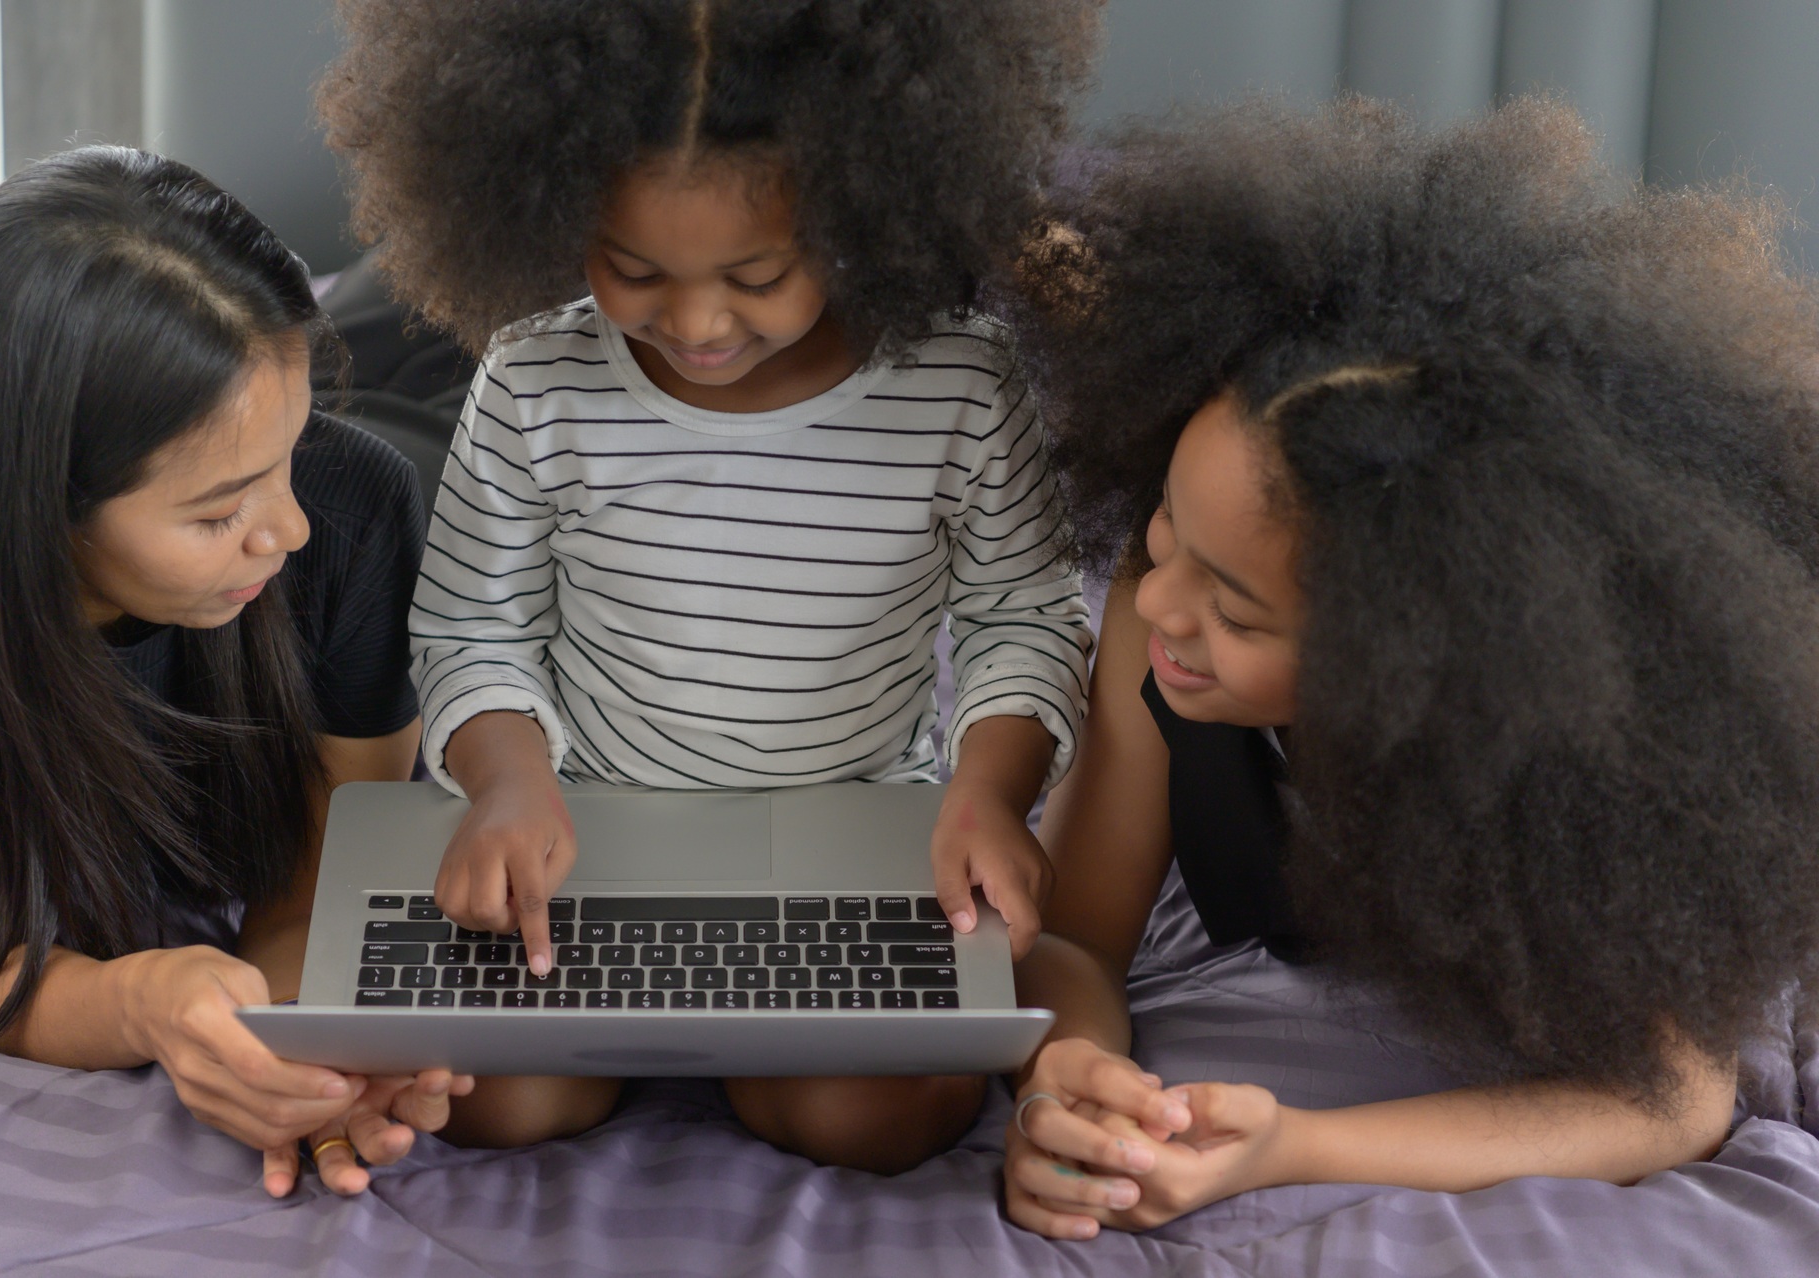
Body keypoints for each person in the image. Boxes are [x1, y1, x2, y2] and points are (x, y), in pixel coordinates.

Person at [1000, 98, 1819, 1237]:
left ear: (1396, 653)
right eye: (1165, 525)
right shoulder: (1156, 630)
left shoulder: (1556, 765)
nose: (1157, 603)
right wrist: (1069, 1077)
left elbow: (1672, 1099)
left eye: (1234, 607)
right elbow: (1077, 937)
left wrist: (1290, 1147)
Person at [317, 0, 1098, 1170]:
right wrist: (507, 783)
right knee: (489, 1104)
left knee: (874, 1121)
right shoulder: (533, 376)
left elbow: (1021, 619)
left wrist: (988, 790)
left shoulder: (961, 384)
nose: (691, 321)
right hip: (580, 833)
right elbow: (475, 627)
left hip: (853, 831)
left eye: (756, 274)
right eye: (631, 269)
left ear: (861, 213)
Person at [0, 147, 472, 1199]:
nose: (287, 529)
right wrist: (153, 1005)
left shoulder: (349, 513)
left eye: (284, 465)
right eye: (218, 514)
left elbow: (314, 888)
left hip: (428, 439)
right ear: (34, 504)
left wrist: (298, 1041)